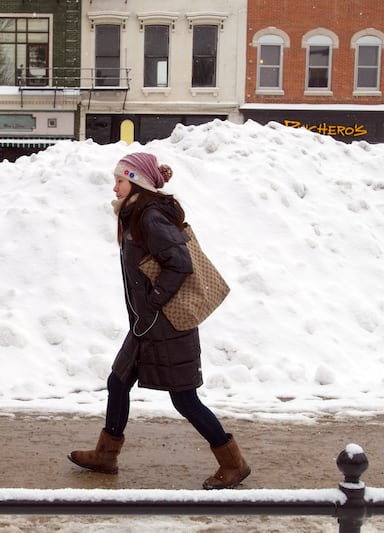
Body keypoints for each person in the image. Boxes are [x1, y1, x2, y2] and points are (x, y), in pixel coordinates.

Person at [67, 152, 251, 490]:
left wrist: (153, 303)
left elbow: (179, 263)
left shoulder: (150, 216)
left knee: (184, 399)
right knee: (118, 382)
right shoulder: (137, 213)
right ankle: (106, 455)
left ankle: (233, 463)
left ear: (136, 182)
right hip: (146, 324)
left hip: (168, 324)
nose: (115, 186)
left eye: (120, 180)